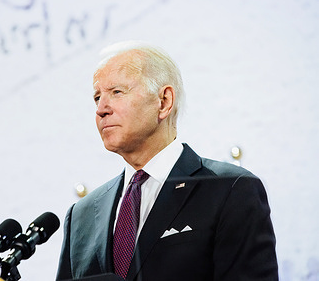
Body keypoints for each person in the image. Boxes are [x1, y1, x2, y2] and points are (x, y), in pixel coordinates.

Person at [56, 41, 278, 280]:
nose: (101, 109)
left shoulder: (230, 189)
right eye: (97, 97)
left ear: (163, 101)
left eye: (117, 92)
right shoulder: (82, 215)